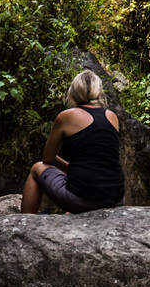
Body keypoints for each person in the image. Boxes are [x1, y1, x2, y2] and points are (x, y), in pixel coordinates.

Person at [20, 69, 125, 214]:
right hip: (115, 198)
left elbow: (48, 158)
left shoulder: (66, 116)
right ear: (98, 91)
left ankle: (24, 223)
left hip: (82, 198)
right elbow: (103, 157)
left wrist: (70, 168)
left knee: (37, 168)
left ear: (74, 91)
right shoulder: (112, 116)